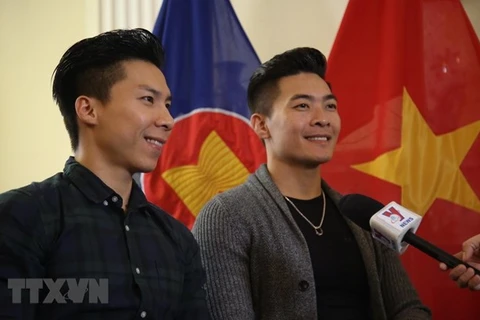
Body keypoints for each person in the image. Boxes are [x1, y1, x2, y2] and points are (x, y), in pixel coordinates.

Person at [192, 47, 431, 320]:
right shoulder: (227, 215)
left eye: (330, 106)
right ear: (261, 125)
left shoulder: (363, 215)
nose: (323, 119)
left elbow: (407, 307)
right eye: (302, 106)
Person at [0, 28, 210, 320]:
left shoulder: (177, 238)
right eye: (148, 99)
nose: (167, 120)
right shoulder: (21, 216)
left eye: (168, 105)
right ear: (88, 109)